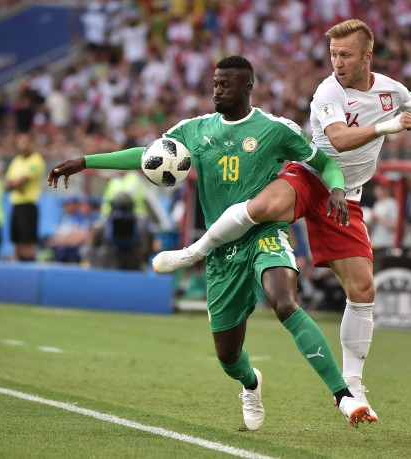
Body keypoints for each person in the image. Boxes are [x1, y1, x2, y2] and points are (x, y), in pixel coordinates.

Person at [152, 19, 411, 419]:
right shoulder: (327, 91)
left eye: (346, 55)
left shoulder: (391, 91)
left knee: (363, 288)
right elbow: (338, 140)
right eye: (333, 54)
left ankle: (352, 384)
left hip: (346, 197)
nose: (337, 62)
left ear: (367, 56)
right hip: (310, 177)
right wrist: (388, 126)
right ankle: (194, 251)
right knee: (263, 206)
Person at [47, 56, 373, 429]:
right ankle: (251, 383)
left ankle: (342, 395)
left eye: (225, 84)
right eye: (215, 83)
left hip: (262, 234)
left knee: (284, 301)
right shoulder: (194, 129)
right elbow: (148, 155)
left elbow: (324, 163)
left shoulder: (275, 129)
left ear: (247, 87)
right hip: (220, 251)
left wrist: (335, 189)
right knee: (228, 357)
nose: (216, 90)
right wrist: (87, 162)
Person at [5, 132, 46, 262]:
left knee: (28, 242)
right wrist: (15, 184)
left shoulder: (36, 159)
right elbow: (6, 184)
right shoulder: (16, 161)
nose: (22, 145)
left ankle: (30, 273)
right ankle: (20, 275)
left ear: (31, 144)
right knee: (17, 242)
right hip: (16, 205)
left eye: (25, 142)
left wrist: (14, 184)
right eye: (20, 142)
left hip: (28, 206)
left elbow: (19, 182)